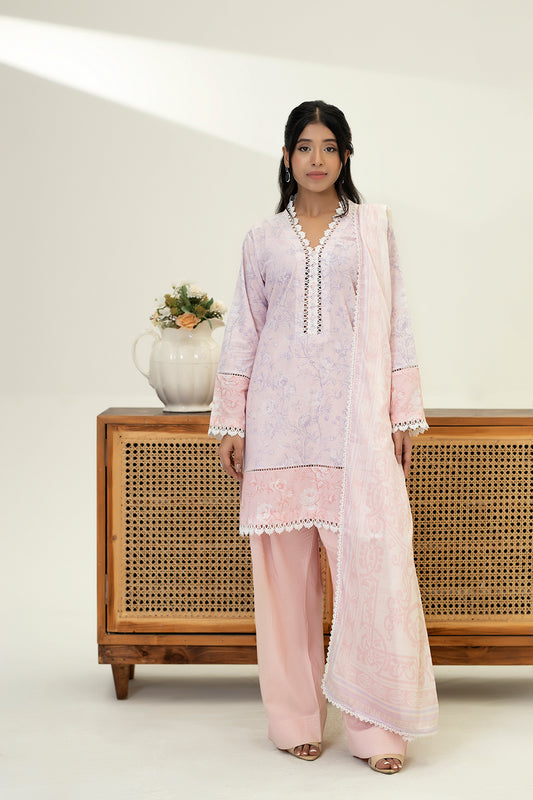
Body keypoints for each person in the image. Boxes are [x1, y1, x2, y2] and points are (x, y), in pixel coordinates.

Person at [209, 100, 438, 773]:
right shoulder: (261, 240)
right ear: (286, 158)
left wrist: (399, 415)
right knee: (283, 588)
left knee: (369, 575)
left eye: (328, 147)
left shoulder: (371, 231)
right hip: (278, 432)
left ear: (344, 157)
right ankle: (294, 720)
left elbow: (396, 322)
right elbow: (245, 330)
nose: (316, 159)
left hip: (352, 428)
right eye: (304, 147)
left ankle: (375, 729)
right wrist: (231, 419)